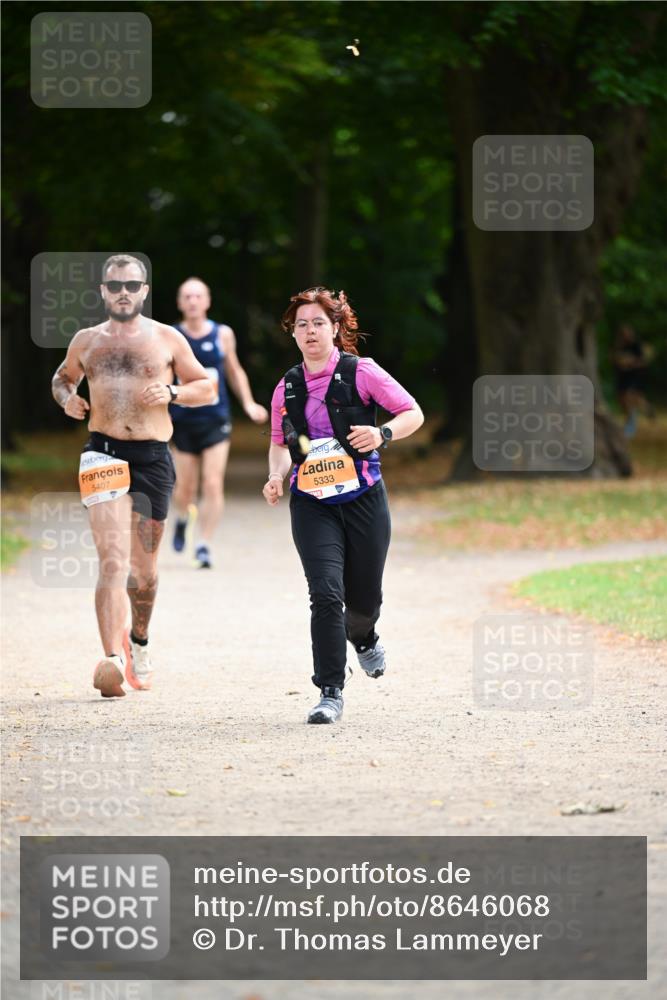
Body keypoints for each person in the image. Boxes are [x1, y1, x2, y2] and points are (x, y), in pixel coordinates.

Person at [51, 254, 215, 698]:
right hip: (102, 453)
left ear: (144, 291)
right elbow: (62, 379)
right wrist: (67, 398)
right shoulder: (86, 340)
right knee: (112, 559)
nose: (123, 291)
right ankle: (111, 660)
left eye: (131, 285)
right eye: (114, 285)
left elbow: (207, 386)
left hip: (153, 457)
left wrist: (173, 391)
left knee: (144, 572)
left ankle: (138, 640)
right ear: (103, 291)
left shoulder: (167, 338)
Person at [262, 287, 424, 725]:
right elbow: (280, 444)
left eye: (318, 323)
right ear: (292, 334)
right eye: (301, 325)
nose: (310, 331)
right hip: (312, 502)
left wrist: (382, 434)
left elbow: (413, 413)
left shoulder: (362, 372)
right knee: (326, 594)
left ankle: (365, 636)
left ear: (335, 328)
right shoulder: (287, 387)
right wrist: (277, 476)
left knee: (363, 599)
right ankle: (330, 691)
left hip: (363, 498)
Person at [170, 277, 268, 568]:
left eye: (198, 296)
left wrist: (248, 403)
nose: (192, 301)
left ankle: (203, 544)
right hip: (183, 419)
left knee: (213, 483)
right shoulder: (171, 335)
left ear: (207, 301)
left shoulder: (222, 334)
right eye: (186, 296)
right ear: (179, 303)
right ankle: (183, 517)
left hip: (216, 418)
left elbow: (235, 371)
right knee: (185, 489)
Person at [611, 325, 656, 438]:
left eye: (627, 333)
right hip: (622, 377)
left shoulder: (636, 346)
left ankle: (630, 425)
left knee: (628, 398)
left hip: (634, 376)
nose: (626, 336)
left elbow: (643, 361)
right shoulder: (619, 346)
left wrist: (630, 363)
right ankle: (648, 409)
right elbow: (613, 358)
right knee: (625, 399)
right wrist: (619, 361)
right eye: (623, 334)